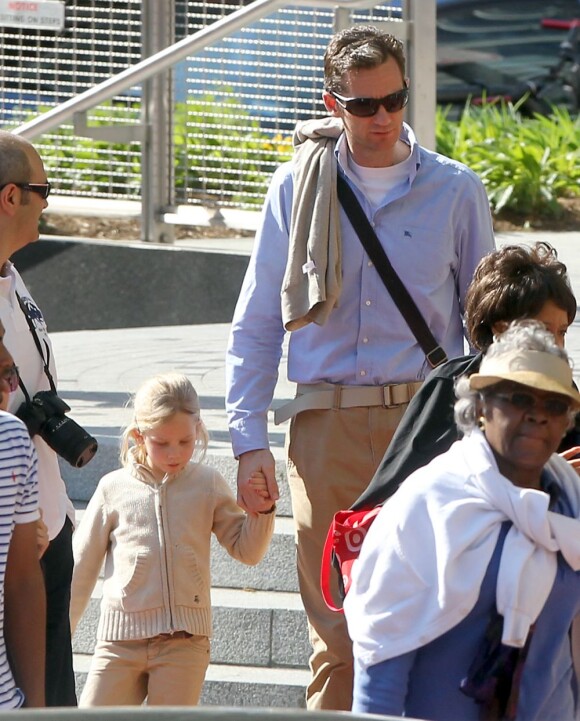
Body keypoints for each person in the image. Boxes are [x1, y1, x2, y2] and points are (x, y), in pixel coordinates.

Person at [225, 24, 495, 709]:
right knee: (336, 631)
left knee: (435, 614)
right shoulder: (295, 186)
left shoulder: (456, 190)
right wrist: (247, 439)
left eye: (395, 100)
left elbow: (484, 326)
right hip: (326, 427)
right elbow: (258, 320)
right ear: (331, 103)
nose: (382, 118)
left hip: (426, 422)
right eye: (363, 105)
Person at [345, 320, 580, 721]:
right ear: (482, 406)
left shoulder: (571, 503)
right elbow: (380, 656)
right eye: (519, 397)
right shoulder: (429, 503)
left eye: (553, 404)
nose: (538, 415)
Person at [70, 372, 275, 707]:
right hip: (119, 644)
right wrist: (58, 638)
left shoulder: (207, 483)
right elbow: (80, 568)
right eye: (161, 442)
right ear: (139, 434)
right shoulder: (112, 487)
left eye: (185, 441)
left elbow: (247, 551)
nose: (174, 453)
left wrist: (261, 513)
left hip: (185, 645)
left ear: (198, 429)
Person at [354, 241, 580, 512]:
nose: (555, 344)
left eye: (562, 332)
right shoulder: (449, 385)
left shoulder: (564, 391)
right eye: (544, 330)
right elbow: (406, 497)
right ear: (500, 328)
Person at [0, 130, 77, 706]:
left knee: (54, 698)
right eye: (41, 190)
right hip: (14, 540)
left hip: (47, 520)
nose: (47, 203)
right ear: (10, 197)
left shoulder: (11, 274)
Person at [0, 321, 46, 708]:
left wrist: (37, 713)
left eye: (10, 374)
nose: (8, 389)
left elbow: (23, 583)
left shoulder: (13, 440)